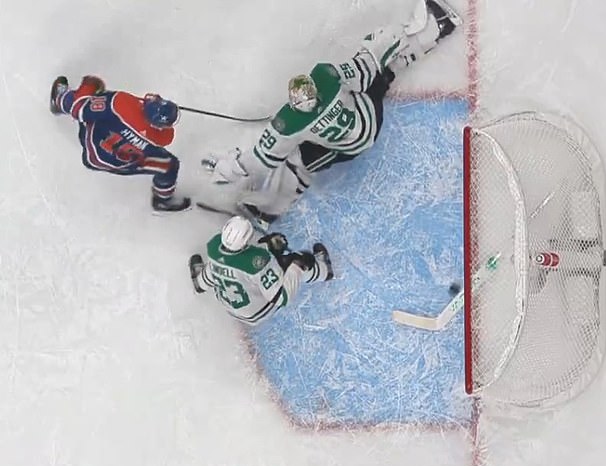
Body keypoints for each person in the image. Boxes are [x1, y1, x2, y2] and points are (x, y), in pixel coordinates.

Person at [201, 0, 461, 228]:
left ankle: (267, 213)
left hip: (349, 146)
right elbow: (369, 59)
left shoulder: (288, 124)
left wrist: (227, 168)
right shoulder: (327, 78)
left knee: (298, 166)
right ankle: (435, 29)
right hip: (368, 115)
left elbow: (260, 158)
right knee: (381, 73)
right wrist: (398, 35)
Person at [49, 75, 191, 212]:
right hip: (122, 164)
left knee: (90, 102)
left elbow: (79, 109)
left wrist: (89, 86)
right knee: (169, 165)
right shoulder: (162, 137)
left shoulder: (120, 103)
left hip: (93, 148)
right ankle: (163, 200)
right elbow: (153, 132)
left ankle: (60, 100)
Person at [188, 215, 334, 326]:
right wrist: (297, 266)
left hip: (231, 308)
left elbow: (224, 264)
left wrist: (268, 248)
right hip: (258, 311)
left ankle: (200, 283)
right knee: (293, 262)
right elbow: (282, 298)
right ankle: (324, 271)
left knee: (219, 267)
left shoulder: (214, 247)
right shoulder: (257, 264)